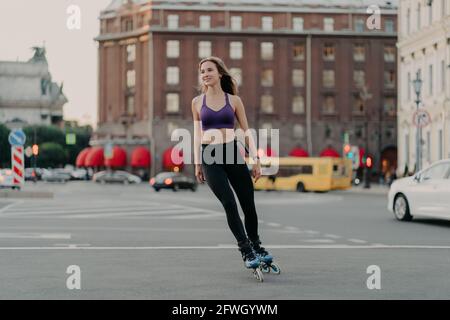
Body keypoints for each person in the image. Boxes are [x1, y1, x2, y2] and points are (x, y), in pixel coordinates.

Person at [191, 56, 273, 269]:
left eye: (209, 70)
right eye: (202, 71)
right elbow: (197, 134)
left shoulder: (234, 100)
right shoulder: (197, 103)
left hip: (231, 152)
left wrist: (256, 160)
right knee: (229, 203)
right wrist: (198, 164)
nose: (205, 74)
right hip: (209, 156)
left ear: (220, 73)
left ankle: (256, 245)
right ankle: (246, 250)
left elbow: (246, 131)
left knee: (249, 205)